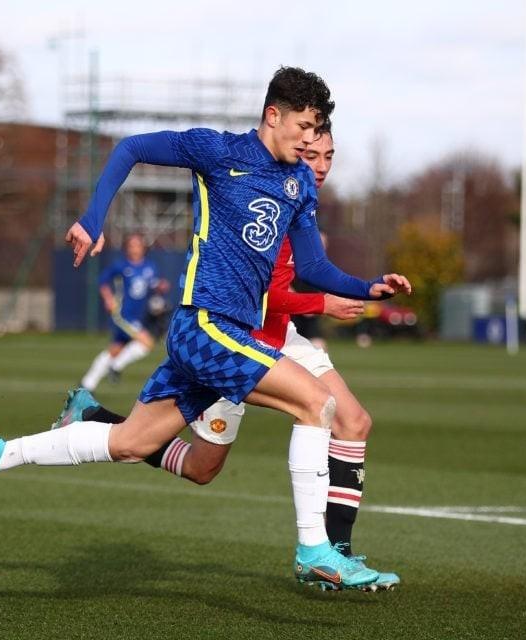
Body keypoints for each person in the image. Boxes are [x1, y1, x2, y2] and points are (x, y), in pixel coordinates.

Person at [0, 67, 412, 591]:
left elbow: (315, 266)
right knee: (317, 404)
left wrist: (368, 287)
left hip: (228, 334)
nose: (308, 140)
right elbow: (131, 148)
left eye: (316, 131)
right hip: (204, 324)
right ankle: (315, 550)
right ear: (273, 115)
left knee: (129, 443)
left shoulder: (297, 185)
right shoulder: (218, 151)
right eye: (303, 127)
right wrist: (93, 219)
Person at [57, 127, 399, 591]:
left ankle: (336, 555)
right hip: (234, 340)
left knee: (354, 421)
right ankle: (97, 419)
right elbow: (263, 295)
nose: (319, 165)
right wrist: (323, 304)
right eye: (311, 154)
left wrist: (365, 286)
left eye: (329, 156)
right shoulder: (258, 194)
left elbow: (311, 272)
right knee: (202, 468)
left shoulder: (300, 201)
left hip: (282, 337)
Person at [80, 233, 167, 391]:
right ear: (126, 248)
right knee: (147, 342)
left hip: (137, 316)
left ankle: (86, 384)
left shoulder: (150, 267)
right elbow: (102, 281)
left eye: (138, 245)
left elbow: (153, 285)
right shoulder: (120, 266)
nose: (135, 248)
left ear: (143, 248)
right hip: (123, 314)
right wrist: (108, 299)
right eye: (131, 245)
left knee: (115, 349)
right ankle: (116, 366)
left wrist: (161, 286)